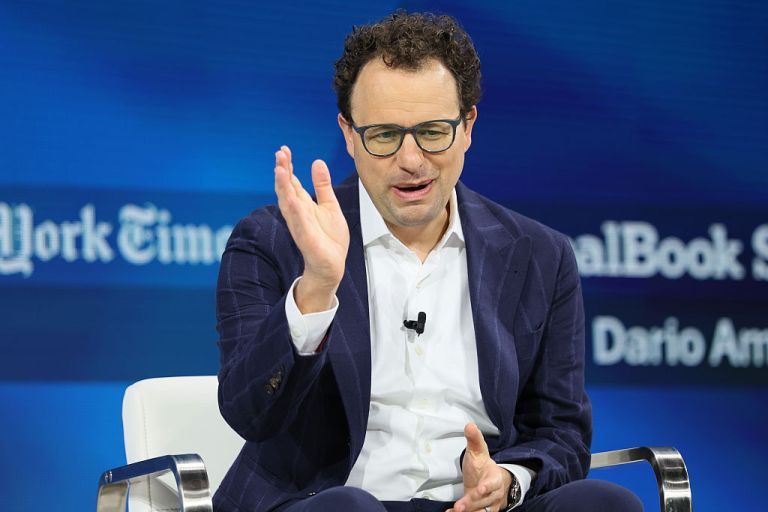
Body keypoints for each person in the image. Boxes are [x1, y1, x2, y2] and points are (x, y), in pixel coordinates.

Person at [214, 11, 643, 512]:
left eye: (434, 132)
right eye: (383, 135)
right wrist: (318, 287)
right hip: (332, 501)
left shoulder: (540, 256)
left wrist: (507, 479)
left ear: (468, 127)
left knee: (603, 503)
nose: (412, 160)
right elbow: (249, 412)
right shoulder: (272, 240)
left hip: (479, 506)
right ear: (349, 135)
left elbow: (561, 434)